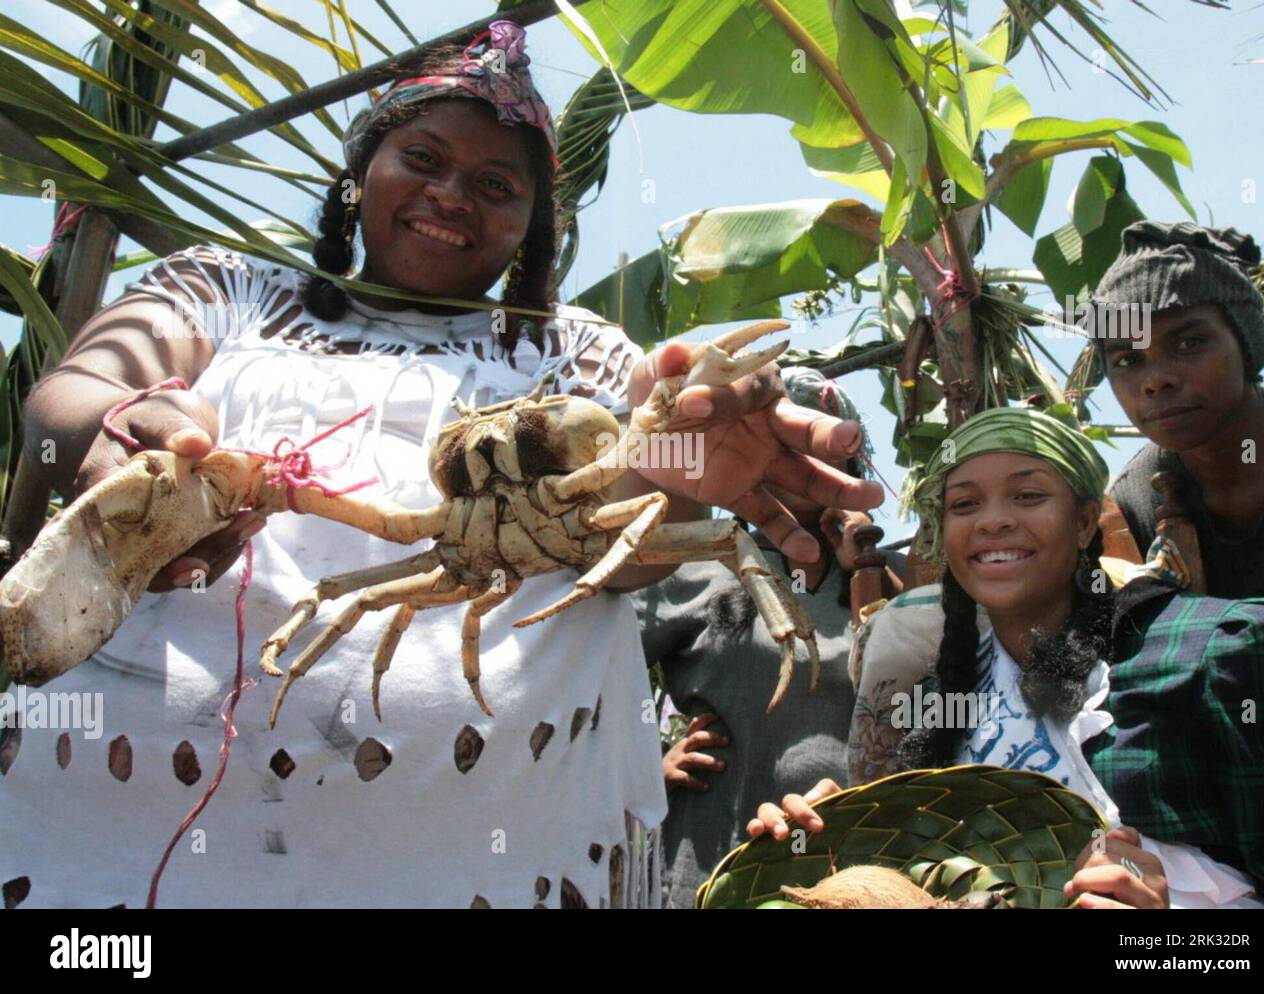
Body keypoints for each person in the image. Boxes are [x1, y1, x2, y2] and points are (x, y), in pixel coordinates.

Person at [0, 22, 878, 908]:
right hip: (115, 835)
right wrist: (132, 424)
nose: (452, 194)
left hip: (489, 859)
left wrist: (675, 460)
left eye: (496, 185)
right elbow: (76, 386)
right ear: (359, 176)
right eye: (421, 158)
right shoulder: (226, 287)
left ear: (534, 225)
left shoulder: (578, 352)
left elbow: (625, 532)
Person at [749, 407, 1264, 909]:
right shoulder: (937, 703)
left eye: (1028, 496)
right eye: (965, 504)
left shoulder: (1216, 650)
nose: (993, 521)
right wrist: (835, 844)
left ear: (1085, 522)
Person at [634, 368, 902, 908]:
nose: (805, 467)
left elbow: (935, 691)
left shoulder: (895, 575)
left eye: (824, 450)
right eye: (787, 447)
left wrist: (863, 561)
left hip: (857, 860)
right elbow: (589, 672)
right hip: (716, 845)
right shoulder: (702, 562)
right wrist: (648, 767)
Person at [1092, 221, 1264, 606]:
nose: (1156, 380)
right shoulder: (1134, 505)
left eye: (1189, 343)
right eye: (1128, 359)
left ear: (1245, 343)